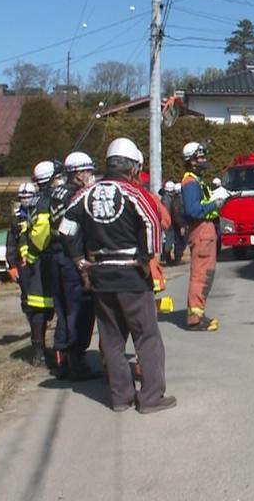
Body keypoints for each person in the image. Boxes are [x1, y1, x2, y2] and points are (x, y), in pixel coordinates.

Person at [61, 137, 175, 414]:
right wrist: (147, 259)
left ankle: (120, 397)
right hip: (131, 273)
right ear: (132, 167)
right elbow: (152, 225)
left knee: (111, 339)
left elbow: (65, 230)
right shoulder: (133, 193)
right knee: (146, 336)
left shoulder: (84, 194)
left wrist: (80, 262)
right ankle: (150, 398)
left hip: (99, 274)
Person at [48, 151, 100, 381]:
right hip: (72, 256)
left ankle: (61, 361)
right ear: (78, 173)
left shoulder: (56, 191)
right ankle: (75, 362)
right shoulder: (76, 195)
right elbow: (76, 230)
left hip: (56, 256)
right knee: (79, 310)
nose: (91, 175)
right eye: (88, 171)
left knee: (63, 309)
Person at [180, 142, 231, 331]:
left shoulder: (195, 180)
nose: (204, 160)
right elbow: (193, 210)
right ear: (191, 161)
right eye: (200, 157)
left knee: (205, 274)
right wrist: (214, 204)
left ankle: (198, 313)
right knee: (201, 274)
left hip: (205, 231)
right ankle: (195, 318)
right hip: (201, 231)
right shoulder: (191, 183)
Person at [20, 160, 60, 369]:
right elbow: (41, 234)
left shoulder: (35, 201)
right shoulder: (46, 201)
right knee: (42, 310)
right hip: (45, 261)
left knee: (38, 311)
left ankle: (39, 351)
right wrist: (34, 255)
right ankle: (41, 354)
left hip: (37, 261)